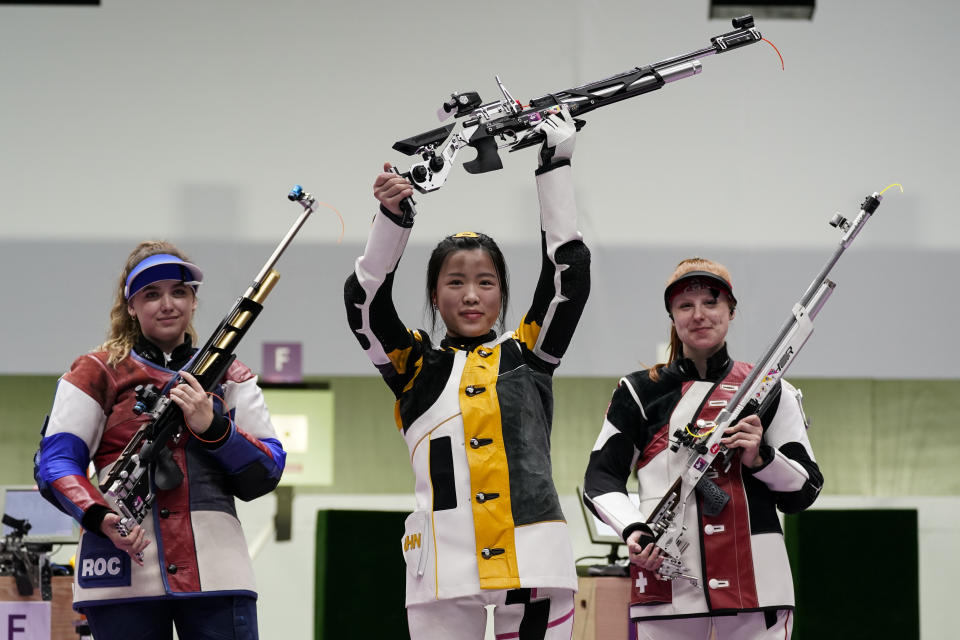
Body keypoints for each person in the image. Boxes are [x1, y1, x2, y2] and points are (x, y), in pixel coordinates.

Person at [344, 109, 590, 639]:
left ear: (502, 291)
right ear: (434, 294)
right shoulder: (414, 369)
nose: (472, 295)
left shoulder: (531, 352)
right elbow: (362, 303)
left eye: (485, 281)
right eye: (455, 282)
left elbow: (568, 275)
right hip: (440, 565)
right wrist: (393, 219)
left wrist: (555, 164)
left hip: (535, 561)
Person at [33, 241, 285, 640]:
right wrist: (100, 517)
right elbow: (54, 463)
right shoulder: (95, 371)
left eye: (179, 292)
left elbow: (267, 471)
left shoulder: (232, 374)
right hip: (120, 569)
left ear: (194, 301)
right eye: (151, 294)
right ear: (130, 306)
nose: (167, 304)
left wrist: (213, 427)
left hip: (216, 573)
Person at [582, 257, 823, 640]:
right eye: (685, 305)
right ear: (672, 315)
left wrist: (761, 458)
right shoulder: (639, 391)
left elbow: (805, 489)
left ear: (730, 310)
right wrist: (633, 529)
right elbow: (599, 479)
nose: (699, 314)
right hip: (667, 582)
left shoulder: (771, 388)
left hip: (757, 585)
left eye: (711, 302)